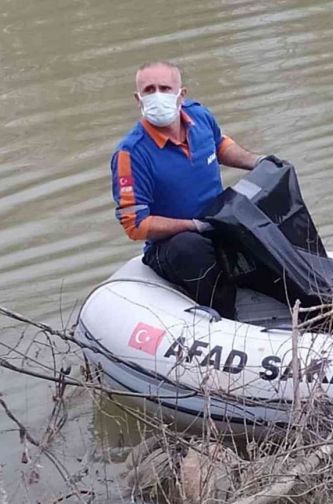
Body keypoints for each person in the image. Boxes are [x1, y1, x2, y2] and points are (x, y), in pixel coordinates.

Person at [110, 61, 269, 319]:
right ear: (137, 99)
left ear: (181, 94)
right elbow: (135, 225)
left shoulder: (200, 117)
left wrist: (259, 161)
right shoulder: (131, 154)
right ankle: (224, 318)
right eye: (149, 90)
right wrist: (192, 226)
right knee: (190, 248)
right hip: (171, 247)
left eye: (165, 87)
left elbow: (220, 146)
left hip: (217, 224)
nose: (157, 95)